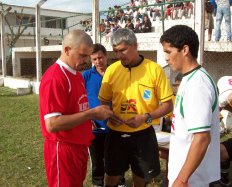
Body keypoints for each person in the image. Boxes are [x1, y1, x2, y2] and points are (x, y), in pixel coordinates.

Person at [98, 28, 173, 187]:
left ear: (135, 45)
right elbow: (104, 102)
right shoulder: (112, 70)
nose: (119, 55)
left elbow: (168, 105)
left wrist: (145, 117)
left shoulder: (154, 69)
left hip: (143, 135)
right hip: (116, 135)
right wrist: (110, 114)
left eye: (123, 50)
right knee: (111, 178)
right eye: (115, 51)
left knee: (140, 179)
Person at [39, 30, 113, 187]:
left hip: (79, 146)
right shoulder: (55, 77)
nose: (87, 60)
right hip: (63, 148)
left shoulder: (77, 75)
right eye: (83, 55)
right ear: (67, 50)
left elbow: (78, 108)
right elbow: (52, 124)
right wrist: (91, 114)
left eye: (88, 56)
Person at [160, 25, 220, 187]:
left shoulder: (197, 85)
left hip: (193, 179)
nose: (166, 58)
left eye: (168, 51)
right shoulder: (190, 79)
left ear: (185, 49)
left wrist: (182, 179)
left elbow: (201, 138)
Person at [82, 44, 126, 187]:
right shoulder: (86, 76)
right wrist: (88, 118)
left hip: (116, 125)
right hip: (95, 127)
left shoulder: (117, 73)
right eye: (94, 59)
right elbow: (79, 98)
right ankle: (97, 183)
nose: (98, 61)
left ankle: (120, 182)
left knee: (116, 157)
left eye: (100, 57)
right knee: (97, 159)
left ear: (106, 56)